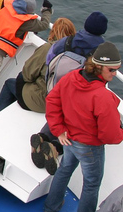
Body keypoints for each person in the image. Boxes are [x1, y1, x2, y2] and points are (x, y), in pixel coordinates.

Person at [42, 42, 123, 212]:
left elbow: (52, 100)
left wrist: (59, 130)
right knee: (91, 184)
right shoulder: (102, 96)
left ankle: (50, 208)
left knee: (64, 170)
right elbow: (110, 135)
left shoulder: (71, 78)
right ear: (99, 67)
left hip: (69, 139)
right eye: (111, 70)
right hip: (90, 148)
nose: (114, 74)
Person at [30, 12, 107, 173]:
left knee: (58, 113)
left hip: (58, 86)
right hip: (80, 95)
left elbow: (50, 59)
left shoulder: (68, 41)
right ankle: (56, 147)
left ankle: (42, 136)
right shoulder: (101, 50)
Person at [0, 17, 76, 114]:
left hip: (43, 100)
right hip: (61, 102)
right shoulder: (75, 54)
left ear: (54, 31)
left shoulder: (48, 49)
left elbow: (27, 74)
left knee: (10, 83)